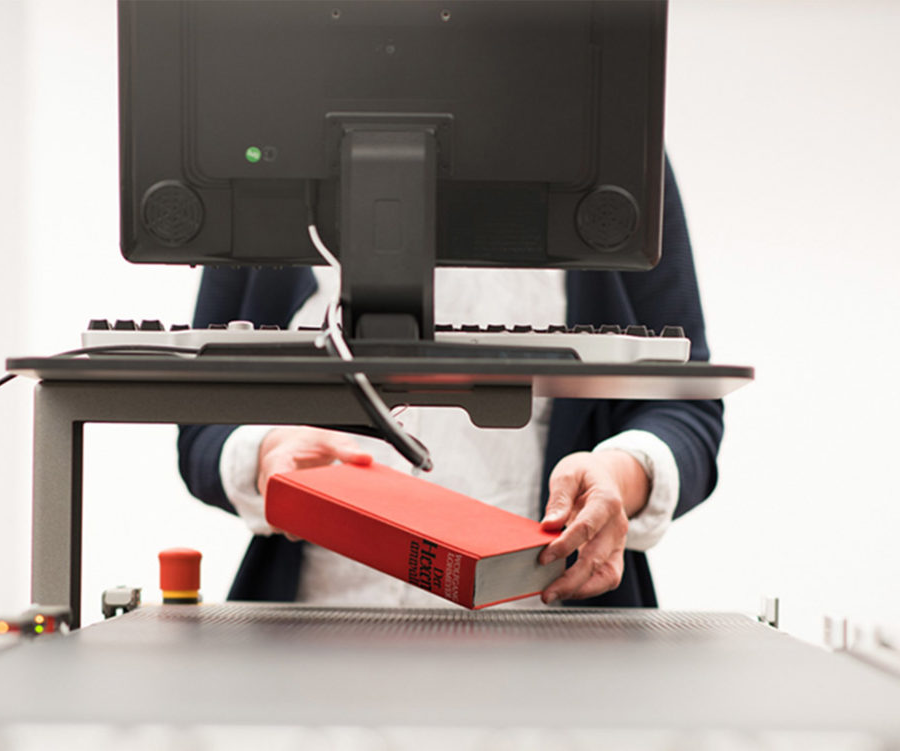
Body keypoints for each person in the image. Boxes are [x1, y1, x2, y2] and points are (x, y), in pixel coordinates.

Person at [178, 159, 723, 608]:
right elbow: (202, 422)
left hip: (547, 641)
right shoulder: (266, 154)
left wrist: (619, 475)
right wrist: (264, 453)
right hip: (314, 632)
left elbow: (685, 408)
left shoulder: (612, 162)